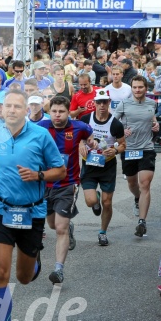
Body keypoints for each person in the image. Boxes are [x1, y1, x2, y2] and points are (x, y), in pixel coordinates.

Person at [0, 89, 66, 321]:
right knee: (0, 273)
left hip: (32, 212)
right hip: (1, 210)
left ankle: (35, 261)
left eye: (18, 106)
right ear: (1, 110)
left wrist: (38, 174)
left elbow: (59, 170)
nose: (12, 110)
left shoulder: (40, 136)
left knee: (23, 278)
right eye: (7, 106)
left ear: (26, 110)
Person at [37, 96, 95, 284]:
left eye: (61, 111)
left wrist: (89, 143)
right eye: (54, 111)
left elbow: (90, 136)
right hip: (44, 184)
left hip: (68, 184)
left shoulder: (79, 127)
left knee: (59, 229)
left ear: (68, 111)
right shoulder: (41, 127)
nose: (57, 115)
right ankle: (68, 227)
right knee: (53, 225)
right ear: (49, 111)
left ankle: (58, 270)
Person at [79, 89, 126, 246]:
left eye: (104, 102)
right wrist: (81, 144)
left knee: (108, 202)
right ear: (95, 103)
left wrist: (115, 149)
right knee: (90, 201)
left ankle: (102, 232)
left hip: (107, 166)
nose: (101, 105)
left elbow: (123, 144)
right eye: (98, 102)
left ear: (108, 103)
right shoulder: (86, 119)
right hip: (90, 165)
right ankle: (96, 199)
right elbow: (79, 137)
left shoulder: (116, 124)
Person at [114, 75, 159, 237]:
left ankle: (142, 221)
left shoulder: (152, 103)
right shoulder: (124, 104)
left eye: (140, 87)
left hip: (147, 148)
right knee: (133, 183)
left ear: (146, 88)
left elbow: (152, 119)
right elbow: (113, 122)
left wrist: (156, 124)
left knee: (145, 183)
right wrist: (121, 131)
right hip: (128, 149)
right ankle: (137, 198)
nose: (138, 90)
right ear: (131, 88)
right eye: (135, 87)